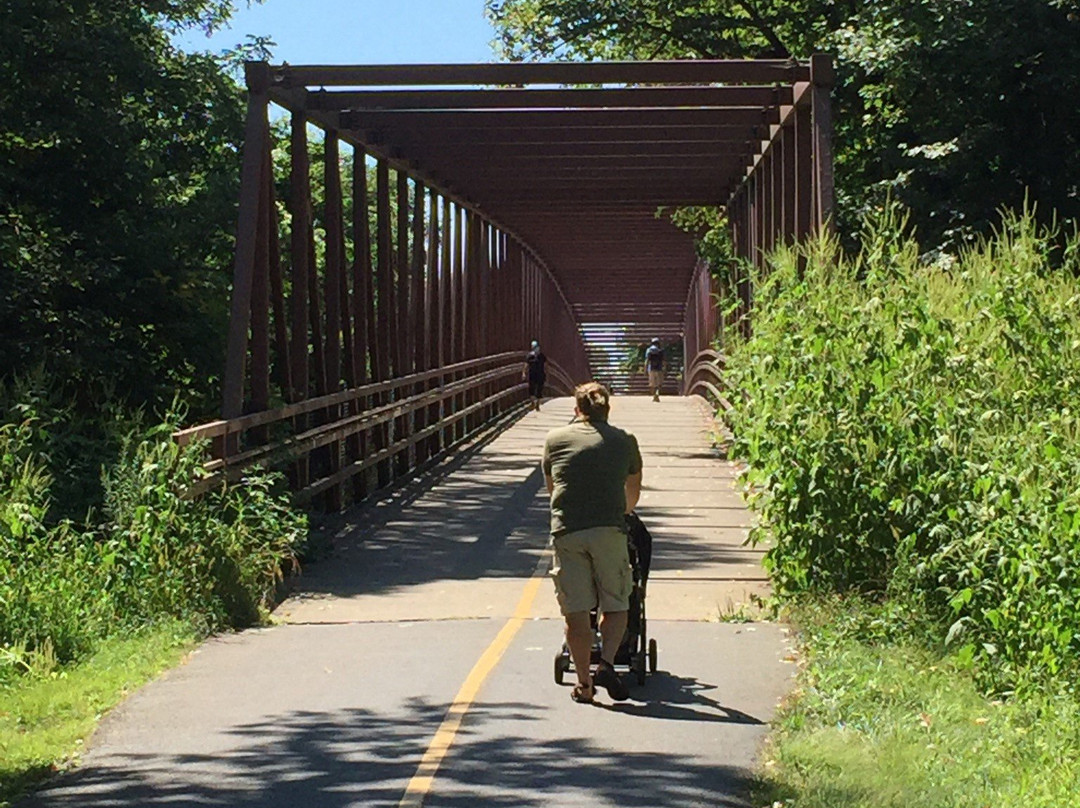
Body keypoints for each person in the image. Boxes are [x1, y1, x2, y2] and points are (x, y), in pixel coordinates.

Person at [542, 382, 643, 704]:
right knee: (616, 602)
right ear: (608, 409)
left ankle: (584, 685)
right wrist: (617, 512)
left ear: (576, 410)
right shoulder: (625, 441)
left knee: (576, 612)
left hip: (568, 531)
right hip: (609, 531)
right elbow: (632, 496)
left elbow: (552, 489)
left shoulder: (555, 439)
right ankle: (608, 664)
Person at [522, 340, 547, 411]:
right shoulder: (529, 356)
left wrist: (546, 373)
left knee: (539, 390)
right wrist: (524, 373)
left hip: (540, 375)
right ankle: (533, 402)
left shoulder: (542, 356)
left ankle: (537, 405)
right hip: (532, 375)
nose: (536, 348)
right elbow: (526, 365)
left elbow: (546, 365)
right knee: (531, 390)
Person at [645, 338, 664, 402]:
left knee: (652, 384)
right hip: (659, 369)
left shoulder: (649, 350)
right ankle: (657, 394)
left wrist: (645, 369)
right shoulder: (660, 351)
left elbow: (647, 360)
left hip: (651, 369)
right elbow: (664, 361)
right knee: (658, 384)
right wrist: (665, 369)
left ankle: (654, 396)